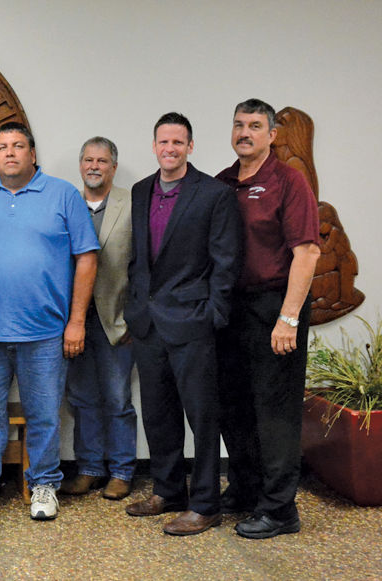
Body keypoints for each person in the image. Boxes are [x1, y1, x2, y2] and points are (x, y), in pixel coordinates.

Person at [0, 122, 99, 522]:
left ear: (32, 154)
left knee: (43, 414)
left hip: (46, 332)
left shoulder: (64, 195)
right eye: (2, 147)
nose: (10, 153)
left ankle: (43, 485)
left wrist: (76, 322)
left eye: (18, 146)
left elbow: (86, 257)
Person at [124, 112, 243, 536]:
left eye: (178, 142)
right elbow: (139, 257)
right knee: (157, 414)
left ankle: (207, 503)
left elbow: (225, 263)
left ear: (190, 146)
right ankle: (168, 490)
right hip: (149, 323)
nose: (169, 149)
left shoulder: (213, 194)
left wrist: (213, 316)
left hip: (193, 322)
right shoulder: (141, 192)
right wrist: (134, 306)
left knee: (202, 417)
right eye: (163, 142)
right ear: (154, 146)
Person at [215, 99, 320, 539]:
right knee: (233, 405)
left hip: (274, 308)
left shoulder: (288, 181)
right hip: (230, 310)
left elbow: (308, 253)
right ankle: (245, 488)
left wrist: (289, 318)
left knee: (273, 412)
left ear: (272, 134)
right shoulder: (222, 183)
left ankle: (279, 510)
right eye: (239, 125)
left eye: (255, 126)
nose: (245, 133)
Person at [61, 137, 137, 501]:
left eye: (102, 161)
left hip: (116, 321)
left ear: (114, 167)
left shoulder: (132, 203)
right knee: (81, 398)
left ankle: (122, 471)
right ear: (80, 165)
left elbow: (144, 266)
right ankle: (89, 468)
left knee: (117, 399)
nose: (94, 166)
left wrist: (135, 319)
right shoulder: (66, 202)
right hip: (72, 320)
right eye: (88, 159)